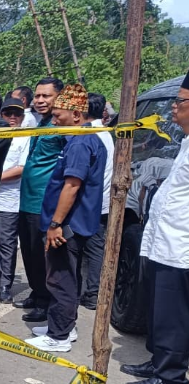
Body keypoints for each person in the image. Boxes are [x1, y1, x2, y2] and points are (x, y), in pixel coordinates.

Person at [121, 70, 189, 384]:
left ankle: (171, 378)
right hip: (166, 242)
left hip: (182, 247)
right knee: (160, 310)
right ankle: (160, 361)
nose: (173, 108)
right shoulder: (186, 142)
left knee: (176, 315)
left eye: (179, 102)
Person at [24, 84, 106, 352]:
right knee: (68, 277)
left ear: (76, 114)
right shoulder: (84, 139)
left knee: (60, 280)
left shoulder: (80, 143)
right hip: (72, 223)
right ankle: (64, 326)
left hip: (67, 226)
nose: (55, 120)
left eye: (58, 116)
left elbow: (71, 186)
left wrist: (55, 224)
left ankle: (58, 336)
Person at [15, 77, 65, 322]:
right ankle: (37, 293)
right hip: (27, 200)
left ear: (59, 98)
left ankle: (47, 302)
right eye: (37, 96)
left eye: (46, 96)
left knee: (44, 257)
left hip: (44, 202)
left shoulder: (64, 127)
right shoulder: (41, 122)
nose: (40, 100)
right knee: (29, 253)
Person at [78, 93, 114, 310]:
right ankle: (91, 292)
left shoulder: (89, 135)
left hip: (92, 202)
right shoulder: (105, 133)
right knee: (94, 249)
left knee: (92, 249)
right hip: (100, 201)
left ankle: (92, 293)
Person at [0, 97, 30, 304]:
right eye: (8, 113)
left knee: (6, 244)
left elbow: (20, 169)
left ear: (23, 117)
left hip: (9, 201)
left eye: (17, 114)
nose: (13, 117)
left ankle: (5, 285)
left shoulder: (25, 138)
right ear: (1, 114)